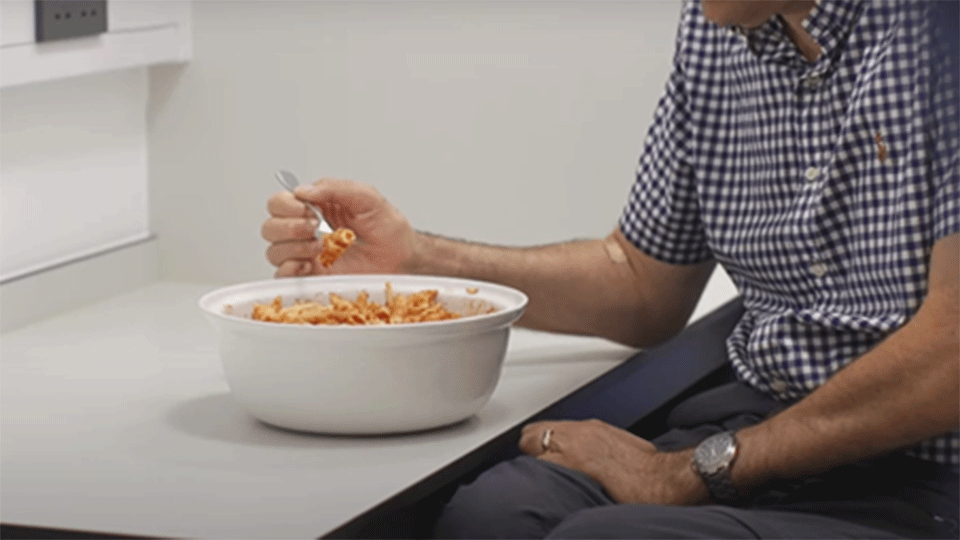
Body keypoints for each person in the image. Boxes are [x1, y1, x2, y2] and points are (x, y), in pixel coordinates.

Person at [261, 0, 958, 537]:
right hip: (764, 421)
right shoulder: (716, 31)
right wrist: (416, 261)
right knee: (493, 517)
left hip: (926, 468)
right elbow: (639, 283)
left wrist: (691, 471)